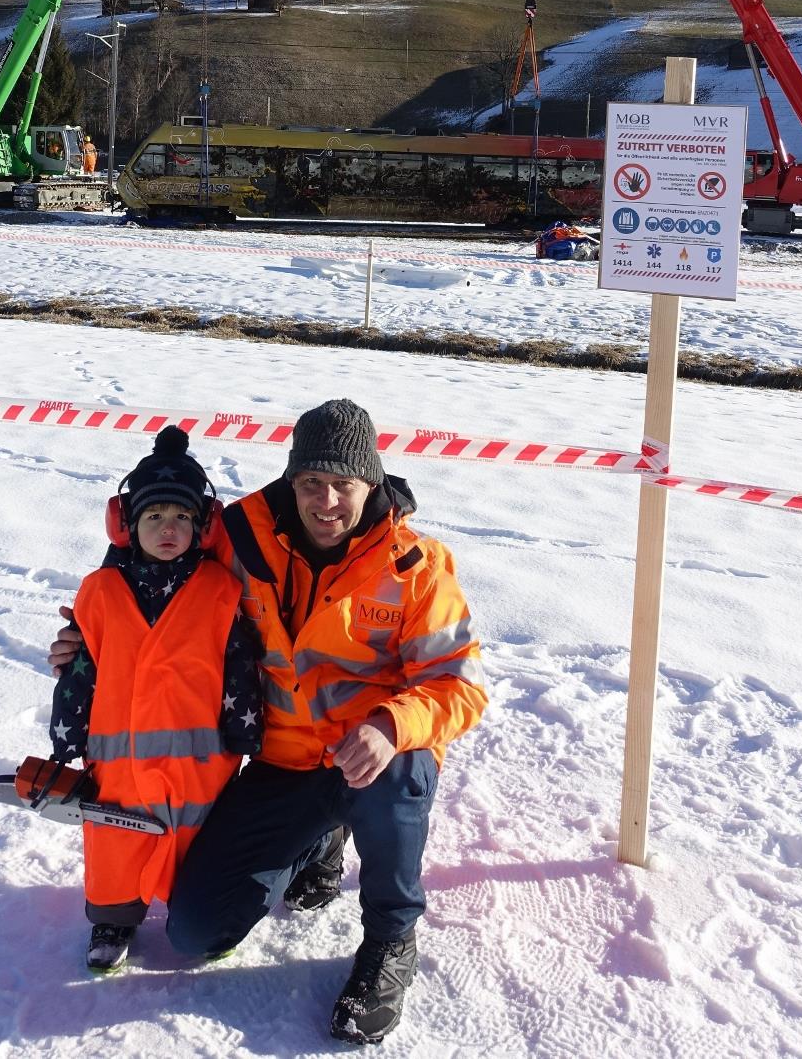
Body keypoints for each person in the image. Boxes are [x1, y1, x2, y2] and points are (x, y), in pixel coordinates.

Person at [52, 396, 486, 1043]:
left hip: (373, 758)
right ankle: (320, 838)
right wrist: (91, 638)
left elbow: (458, 684)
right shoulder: (242, 537)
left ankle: (391, 938)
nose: (326, 501)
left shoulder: (415, 566)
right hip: (283, 762)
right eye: (311, 481)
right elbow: (157, 561)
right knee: (196, 933)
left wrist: (391, 725)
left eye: (344, 483)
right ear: (291, 479)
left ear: (371, 483)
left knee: (399, 773)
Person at [50, 426, 261, 974]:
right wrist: (67, 731)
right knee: (114, 842)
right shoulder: (100, 591)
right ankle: (112, 919)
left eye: (182, 517)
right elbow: (82, 667)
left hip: (200, 764)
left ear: (202, 525)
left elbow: (237, 664)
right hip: (117, 764)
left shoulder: (220, 589)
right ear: (127, 525)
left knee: (197, 841)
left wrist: (244, 730)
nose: (169, 529)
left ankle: (208, 916)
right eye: (154, 517)